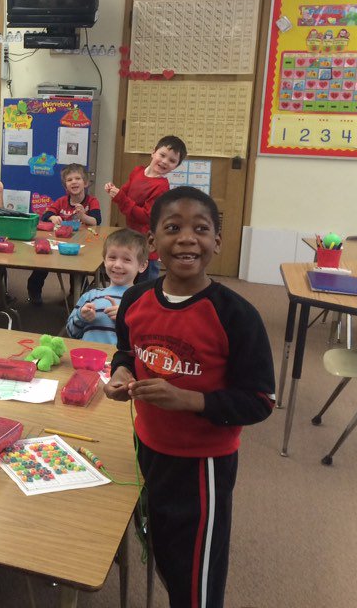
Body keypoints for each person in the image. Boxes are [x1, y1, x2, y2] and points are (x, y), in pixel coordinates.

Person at [103, 187, 275, 608]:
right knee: (161, 545)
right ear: (151, 242)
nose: (186, 238)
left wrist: (190, 400)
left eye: (201, 229)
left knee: (197, 576)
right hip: (148, 447)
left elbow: (260, 400)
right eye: (172, 228)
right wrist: (121, 373)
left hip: (204, 466)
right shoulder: (135, 299)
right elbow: (127, 351)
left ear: (217, 241)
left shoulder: (236, 315)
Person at [104, 135, 186, 283]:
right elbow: (125, 193)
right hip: (133, 239)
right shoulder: (137, 171)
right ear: (153, 152)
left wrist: (121, 198)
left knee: (145, 287)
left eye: (172, 161)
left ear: (176, 166)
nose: (165, 162)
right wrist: (114, 190)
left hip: (148, 247)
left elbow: (145, 216)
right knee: (129, 283)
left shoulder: (161, 187)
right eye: (162, 155)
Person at [26, 162, 102, 305]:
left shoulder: (92, 201)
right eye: (69, 180)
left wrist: (83, 216)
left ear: (85, 183)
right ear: (65, 186)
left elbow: (96, 221)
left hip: (82, 244)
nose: (74, 182)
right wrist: (52, 217)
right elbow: (46, 215)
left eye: (77, 178)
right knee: (43, 262)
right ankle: (34, 291)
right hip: (59, 243)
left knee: (78, 270)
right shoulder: (61, 201)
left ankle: (75, 294)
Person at [65, 228, 148, 344]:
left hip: (118, 361)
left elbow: (146, 341)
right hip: (86, 357)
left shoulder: (143, 300)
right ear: (104, 261)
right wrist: (81, 317)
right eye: (112, 257)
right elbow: (71, 332)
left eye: (127, 259)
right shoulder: (91, 296)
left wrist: (125, 319)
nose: (117, 265)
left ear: (142, 265)